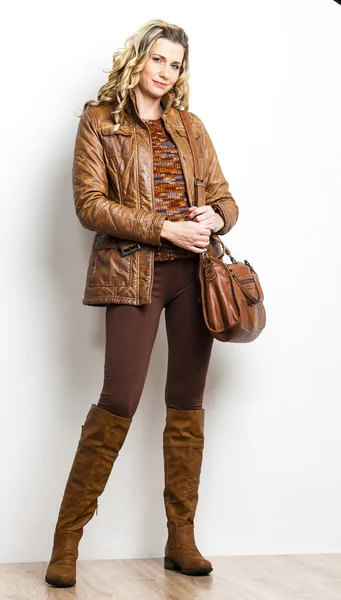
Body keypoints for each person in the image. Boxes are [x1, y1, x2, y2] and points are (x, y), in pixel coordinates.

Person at [45, 18, 239, 588]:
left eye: (175, 64)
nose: (166, 72)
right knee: (118, 401)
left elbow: (227, 196)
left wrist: (215, 215)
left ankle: (181, 538)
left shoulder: (191, 126)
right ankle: (66, 542)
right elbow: (90, 206)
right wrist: (164, 230)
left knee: (186, 403)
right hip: (133, 275)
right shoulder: (99, 121)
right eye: (158, 59)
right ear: (138, 59)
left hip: (195, 279)